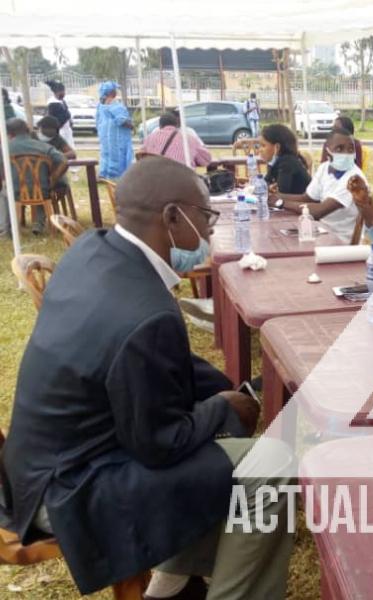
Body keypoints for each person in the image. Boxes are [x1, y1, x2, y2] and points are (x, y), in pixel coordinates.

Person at [2, 157, 294, 599]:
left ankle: (171, 583)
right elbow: (159, 446)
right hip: (70, 493)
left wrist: (226, 391)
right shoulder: (146, 313)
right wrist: (224, 408)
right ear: (172, 217)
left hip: (33, 473)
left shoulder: (94, 250)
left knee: (221, 445)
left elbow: (162, 369)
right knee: (272, 465)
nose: (211, 230)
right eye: (206, 216)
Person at [268, 127, 365, 243]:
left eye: (350, 149)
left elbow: (319, 211)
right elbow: (307, 198)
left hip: (340, 240)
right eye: (339, 149)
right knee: (275, 238)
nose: (346, 153)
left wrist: (281, 203)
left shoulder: (355, 178)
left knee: (284, 245)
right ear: (328, 151)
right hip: (321, 231)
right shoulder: (325, 168)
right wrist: (274, 196)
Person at [7, 118, 68, 234]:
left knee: (4, 193)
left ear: (9, 134)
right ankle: (39, 223)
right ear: (28, 130)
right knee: (41, 186)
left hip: (15, 191)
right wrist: (53, 178)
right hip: (43, 190)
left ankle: (8, 227)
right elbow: (64, 161)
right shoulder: (42, 146)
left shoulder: (5, 149)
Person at [140, 112, 212, 167]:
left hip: (155, 179)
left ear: (160, 125)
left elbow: (140, 157)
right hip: (183, 180)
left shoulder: (149, 138)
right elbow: (206, 160)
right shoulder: (190, 139)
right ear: (177, 124)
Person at [96, 81, 134, 179]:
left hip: (105, 138)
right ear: (112, 93)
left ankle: (105, 173)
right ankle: (118, 175)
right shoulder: (117, 106)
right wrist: (131, 126)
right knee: (119, 155)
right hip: (118, 138)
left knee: (106, 154)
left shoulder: (100, 107)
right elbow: (122, 121)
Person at [260, 123, 311, 195]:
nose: (260, 150)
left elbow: (282, 193)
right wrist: (269, 187)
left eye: (263, 145)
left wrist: (270, 189)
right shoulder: (277, 161)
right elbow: (265, 183)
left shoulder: (287, 162)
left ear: (277, 147)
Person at [45, 80, 74, 148]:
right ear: (57, 92)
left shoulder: (62, 101)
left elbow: (67, 113)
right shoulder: (53, 104)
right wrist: (67, 116)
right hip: (60, 131)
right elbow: (55, 119)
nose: (64, 93)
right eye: (62, 91)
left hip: (66, 130)